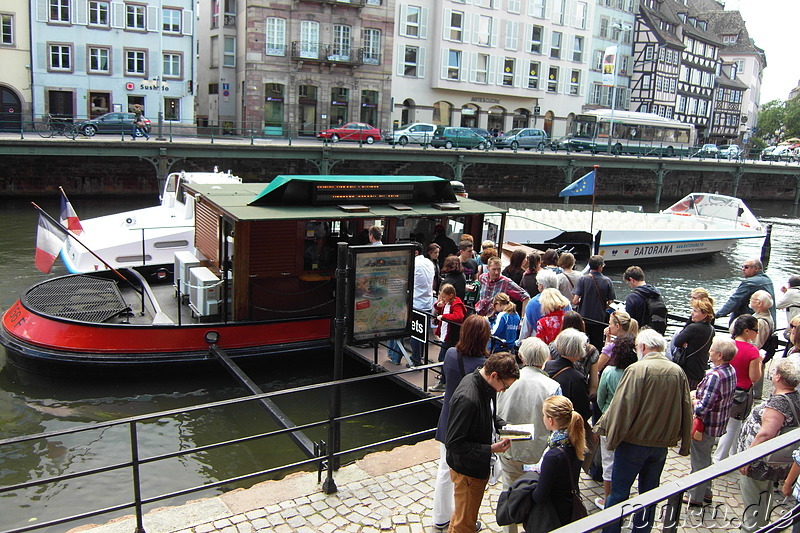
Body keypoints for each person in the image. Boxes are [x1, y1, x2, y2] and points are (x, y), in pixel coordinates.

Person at [594, 329, 692, 533]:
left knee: (619, 494)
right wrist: (684, 444)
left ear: (643, 347)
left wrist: (609, 437)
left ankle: (611, 530)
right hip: (660, 446)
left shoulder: (637, 369)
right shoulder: (677, 371)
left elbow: (622, 407)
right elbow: (686, 407)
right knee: (649, 495)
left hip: (633, 444)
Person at [446, 353, 519, 533]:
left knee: (462, 514)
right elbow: (454, 443)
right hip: (468, 470)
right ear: (494, 375)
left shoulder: (485, 386)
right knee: (465, 524)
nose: (503, 390)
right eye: (505, 386)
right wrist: (490, 449)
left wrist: (506, 427)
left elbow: (489, 414)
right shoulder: (468, 398)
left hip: (472, 467)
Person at [431, 315, 491, 530]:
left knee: (444, 470)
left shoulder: (450, 354)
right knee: (465, 477)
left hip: (448, 419)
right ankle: (464, 519)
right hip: (469, 425)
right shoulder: (485, 365)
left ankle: (440, 517)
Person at [496, 337, 560, 533]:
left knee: (510, 491)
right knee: (537, 494)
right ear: (545, 359)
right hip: (538, 452)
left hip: (510, 446)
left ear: (521, 356)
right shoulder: (552, 387)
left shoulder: (506, 381)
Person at [736, 359, 800, 533]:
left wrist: (747, 459)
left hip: (760, 463)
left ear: (778, 377)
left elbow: (766, 433)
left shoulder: (779, 403)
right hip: (773, 463)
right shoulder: (795, 397)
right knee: (764, 498)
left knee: (753, 502)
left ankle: (752, 529)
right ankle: (761, 526)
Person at [684, 337, 737, 507]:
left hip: (705, 425)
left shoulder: (715, 376)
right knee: (705, 457)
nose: (709, 351)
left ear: (719, 355)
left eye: (712, 349)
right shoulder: (731, 371)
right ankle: (706, 492)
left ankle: (696, 496)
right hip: (718, 423)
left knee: (699, 460)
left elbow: (702, 408)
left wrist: (693, 399)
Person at [594, 334, 638, 510]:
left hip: (610, 420)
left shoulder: (609, 372)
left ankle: (608, 499)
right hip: (631, 422)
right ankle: (623, 493)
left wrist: (605, 409)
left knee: (608, 460)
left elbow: (600, 397)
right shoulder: (636, 373)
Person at [713, 314, 764, 463]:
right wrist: (760, 361)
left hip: (725, 387)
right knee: (733, 425)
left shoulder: (727, 345)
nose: (757, 333)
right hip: (741, 392)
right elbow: (754, 377)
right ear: (747, 331)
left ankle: (734, 454)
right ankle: (719, 459)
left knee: (731, 424)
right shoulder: (752, 351)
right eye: (756, 330)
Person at [530, 395, 586, 527]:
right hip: (569, 504)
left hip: (556, 514)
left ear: (550, 421)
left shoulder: (554, 455)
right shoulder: (575, 440)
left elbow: (540, 495)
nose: (542, 417)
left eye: (543, 414)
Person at [544, 328, 591, 423]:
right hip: (565, 425)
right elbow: (584, 411)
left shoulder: (548, 366)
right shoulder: (577, 378)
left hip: (548, 419)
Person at [429, 284, 468, 392]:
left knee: (443, 358)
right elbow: (437, 307)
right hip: (446, 335)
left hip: (451, 336)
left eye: (444, 297)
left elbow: (459, 317)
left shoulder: (456, 304)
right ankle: (445, 379)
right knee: (445, 358)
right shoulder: (447, 303)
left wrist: (444, 317)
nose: (442, 299)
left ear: (450, 296)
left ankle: (444, 381)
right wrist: (439, 304)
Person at [572, 255, 616, 349]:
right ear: (600, 266)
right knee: (597, 343)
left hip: (583, 317)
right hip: (598, 318)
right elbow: (610, 302)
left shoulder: (582, 279)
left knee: (582, 343)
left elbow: (575, 301)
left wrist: (584, 302)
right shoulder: (607, 281)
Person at [671, 298, 716, 390]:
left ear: (704, 315)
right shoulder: (711, 329)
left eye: (695, 311)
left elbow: (677, 341)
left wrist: (690, 321)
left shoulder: (693, 328)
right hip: (700, 367)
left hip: (688, 369)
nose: (692, 313)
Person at [716, 258, 776, 325]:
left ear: (756, 269)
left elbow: (734, 300)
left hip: (750, 324)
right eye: (743, 267)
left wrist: (716, 315)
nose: (743, 269)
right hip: (769, 322)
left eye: (746, 267)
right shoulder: (768, 280)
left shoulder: (749, 283)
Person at [518, 269, 565, 341]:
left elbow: (526, 329)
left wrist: (519, 342)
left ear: (541, 286)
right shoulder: (564, 301)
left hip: (539, 342)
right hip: (561, 342)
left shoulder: (533, 303)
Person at [623, 266, 667, 333]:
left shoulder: (632, 298)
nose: (630, 285)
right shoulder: (656, 293)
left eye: (628, 282)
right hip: (656, 334)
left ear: (632, 280)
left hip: (641, 335)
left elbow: (629, 322)